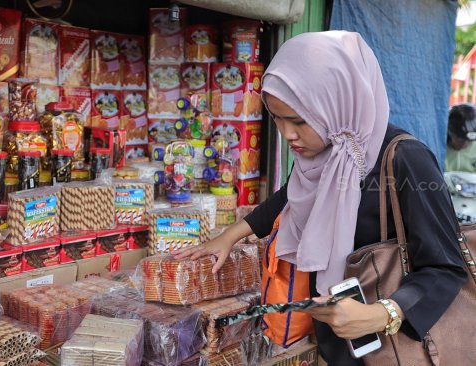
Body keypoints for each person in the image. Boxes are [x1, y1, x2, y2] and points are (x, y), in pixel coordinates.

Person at [174, 31, 466, 365]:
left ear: (338, 102)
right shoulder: (320, 156)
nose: (288, 135)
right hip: (337, 347)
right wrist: (231, 235)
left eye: (299, 120)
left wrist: (380, 315)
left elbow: (446, 267)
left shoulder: (405, 160)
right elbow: (291, 197)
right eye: (277, 118)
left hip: (395, 347)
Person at [445, 103, 476, 172]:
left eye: (469, 140)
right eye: (460, 139)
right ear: (450, 133)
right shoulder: (440, 148)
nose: (465, 143)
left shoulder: (474, 147)